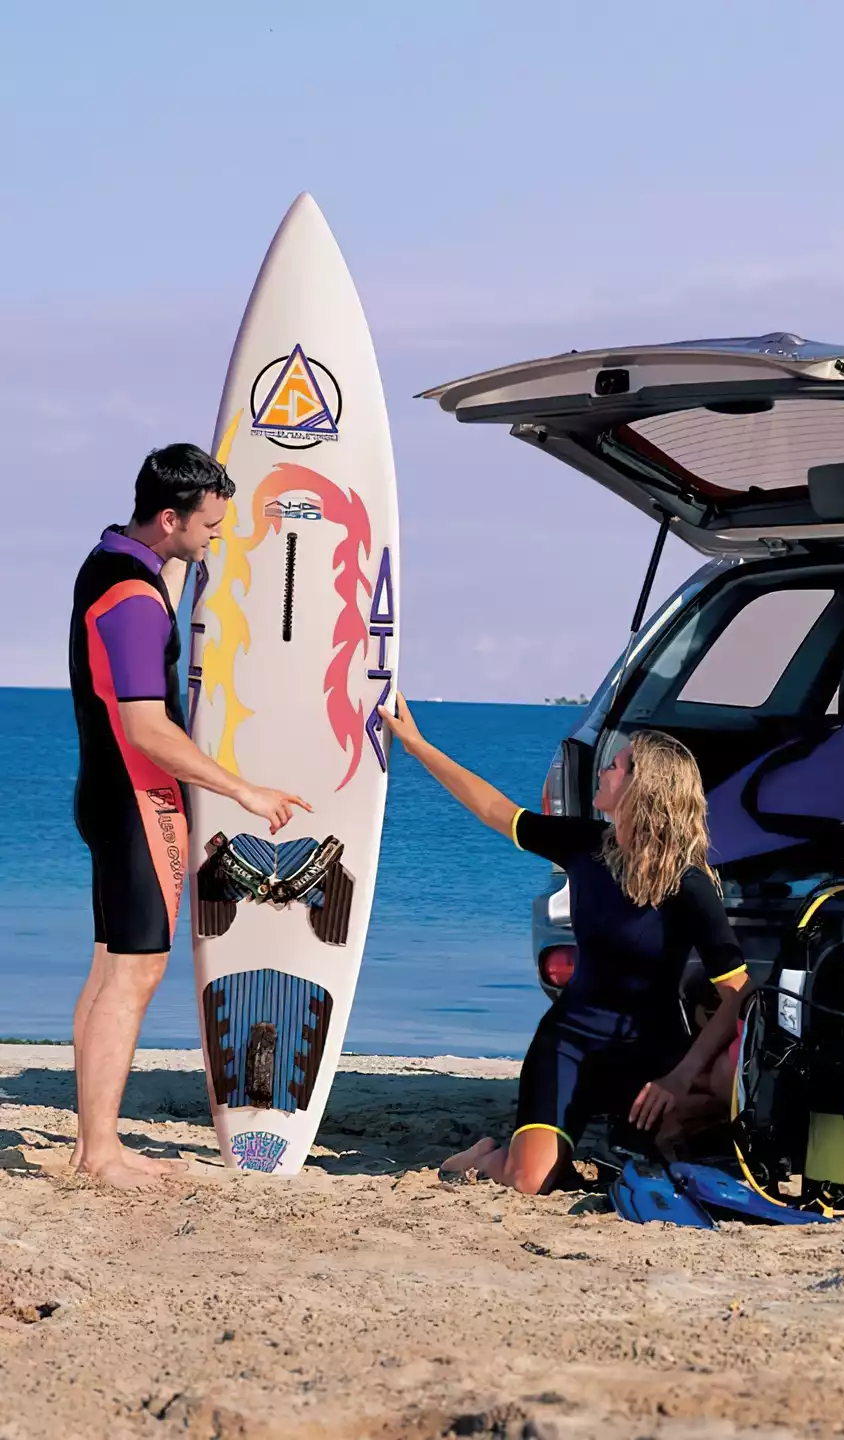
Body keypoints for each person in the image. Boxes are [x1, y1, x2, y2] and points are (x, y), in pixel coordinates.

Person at [378, 694, 749, 1195]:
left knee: (712, 1105)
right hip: (570, 1042)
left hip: (650, 1054)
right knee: (529, 1181)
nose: (603, 772)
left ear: (643, 788)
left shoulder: (689, 885)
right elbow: (494, 809)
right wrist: (418, 746)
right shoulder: (584, 844)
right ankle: (483, 1155)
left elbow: (738, 992)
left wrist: (680, 1077)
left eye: (616, 766)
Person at [69, 443, 310, 1190]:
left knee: (110, 966)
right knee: (134, 972)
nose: (217, 536)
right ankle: (100, 1153)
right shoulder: (135, 603)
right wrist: (244, 791)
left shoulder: (111, 562)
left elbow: (158, 591)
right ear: (170, 519)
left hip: (104, 793)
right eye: (208, 525)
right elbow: (147, 728)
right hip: (139, 800)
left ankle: (90, 1144)